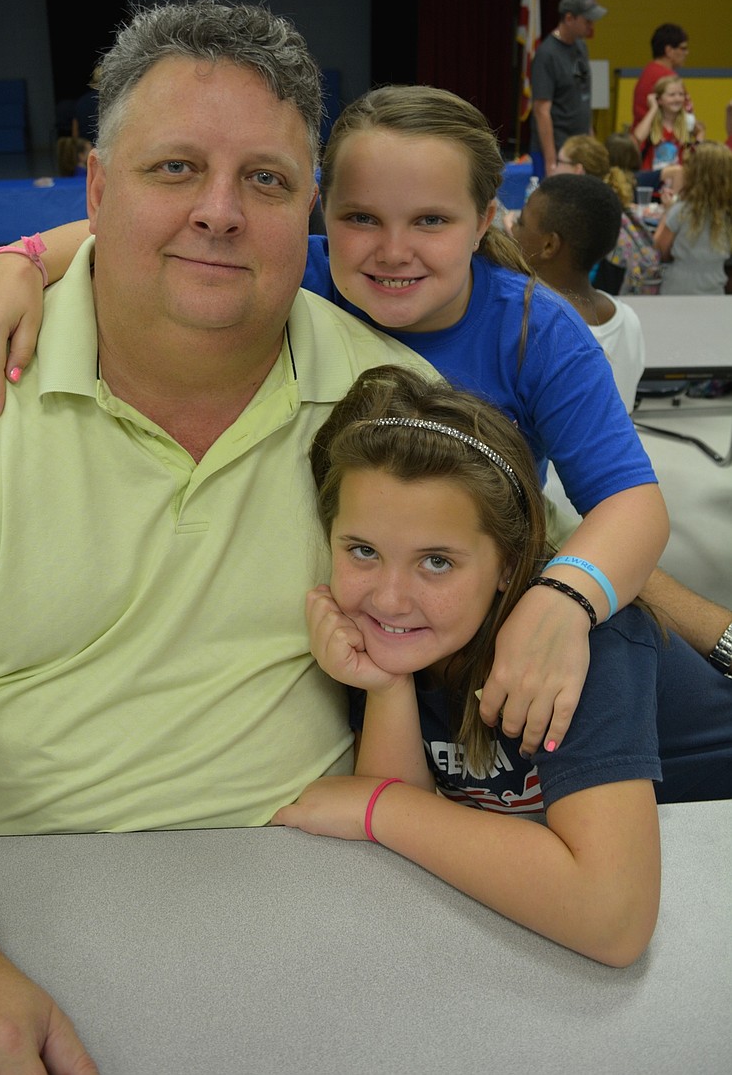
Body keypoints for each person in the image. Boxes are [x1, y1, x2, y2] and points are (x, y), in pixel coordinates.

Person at [0, 0, 447, 1074]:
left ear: (310, 208)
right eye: (175, 169)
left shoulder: (389, 404)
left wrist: (637, 614)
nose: (221, 212)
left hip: (319, 894)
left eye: (267, 181)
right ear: (96, 190)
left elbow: (555, 554)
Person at [0, 82, 675, 735]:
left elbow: (633, 503)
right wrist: (16, 263)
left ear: (485, 222)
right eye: (361, 218)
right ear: (320, 213)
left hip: (458, 639)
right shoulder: (296, 277)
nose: (392, 249)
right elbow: (139, 229)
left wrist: (565, 600)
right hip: (338, 627)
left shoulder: (534, 333)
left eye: (431, 222)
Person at [271, 365, 732, 965]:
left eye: (437, 561)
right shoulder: (400, 636)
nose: (388, 598)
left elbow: (613, 921)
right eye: (363, 551)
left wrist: (379, 807)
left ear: (511, 568)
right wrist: (386, 688)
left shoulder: (585, 654)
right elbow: (405, 829)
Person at [511, 174, 645, 412]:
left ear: (549, 246)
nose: (512, 229)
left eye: (520, 223)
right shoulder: (628, 320)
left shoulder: (526, 325)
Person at [552, 133, 662, 298]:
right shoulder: (608, 204)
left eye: (560, 162)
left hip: (586, 302)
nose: (554, 168)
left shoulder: (579, 216)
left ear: (578, 170)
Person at [530, 0, 607, 180]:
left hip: (578, 146)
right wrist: (551, 160)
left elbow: (583, 95)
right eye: (587, 21)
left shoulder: (581, 46)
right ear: (569, 18)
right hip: (558, 149)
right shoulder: (547, 55)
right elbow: (541, 110)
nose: (591, 26)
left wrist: (590, 138)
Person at [654, 141, 732, 294]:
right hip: (715, 288)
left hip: (677, 288)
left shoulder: (682, 210)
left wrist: (666, 213)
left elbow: (660, 248)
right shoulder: (727, 214)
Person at [631, 74, 696, 174]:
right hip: (652, 180)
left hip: (677, 181)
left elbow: (694, 153)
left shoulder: (689, 123)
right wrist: (653, 108)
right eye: (672, 95)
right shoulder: (651, 122)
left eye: (681, 94)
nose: (677, 98)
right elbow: (637, 138)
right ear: (659, 99)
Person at [632, 23, 691, 127]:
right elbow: (687, 117)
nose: (687, 53)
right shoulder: (669, 78)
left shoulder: (649, 71)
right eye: (683, 48)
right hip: (660, 140)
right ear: (669, 51)